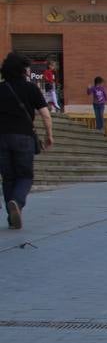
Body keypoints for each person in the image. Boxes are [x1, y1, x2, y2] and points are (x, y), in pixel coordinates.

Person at [0, 52, 54, 231]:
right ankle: (17, 202)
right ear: (23, 69)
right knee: (25, 176)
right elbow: (45, 115)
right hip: (23, 137)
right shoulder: (31, 88)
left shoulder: (1, 88)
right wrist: (49, 135)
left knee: (8, 178)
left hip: (2, 139)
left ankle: (12, 215)